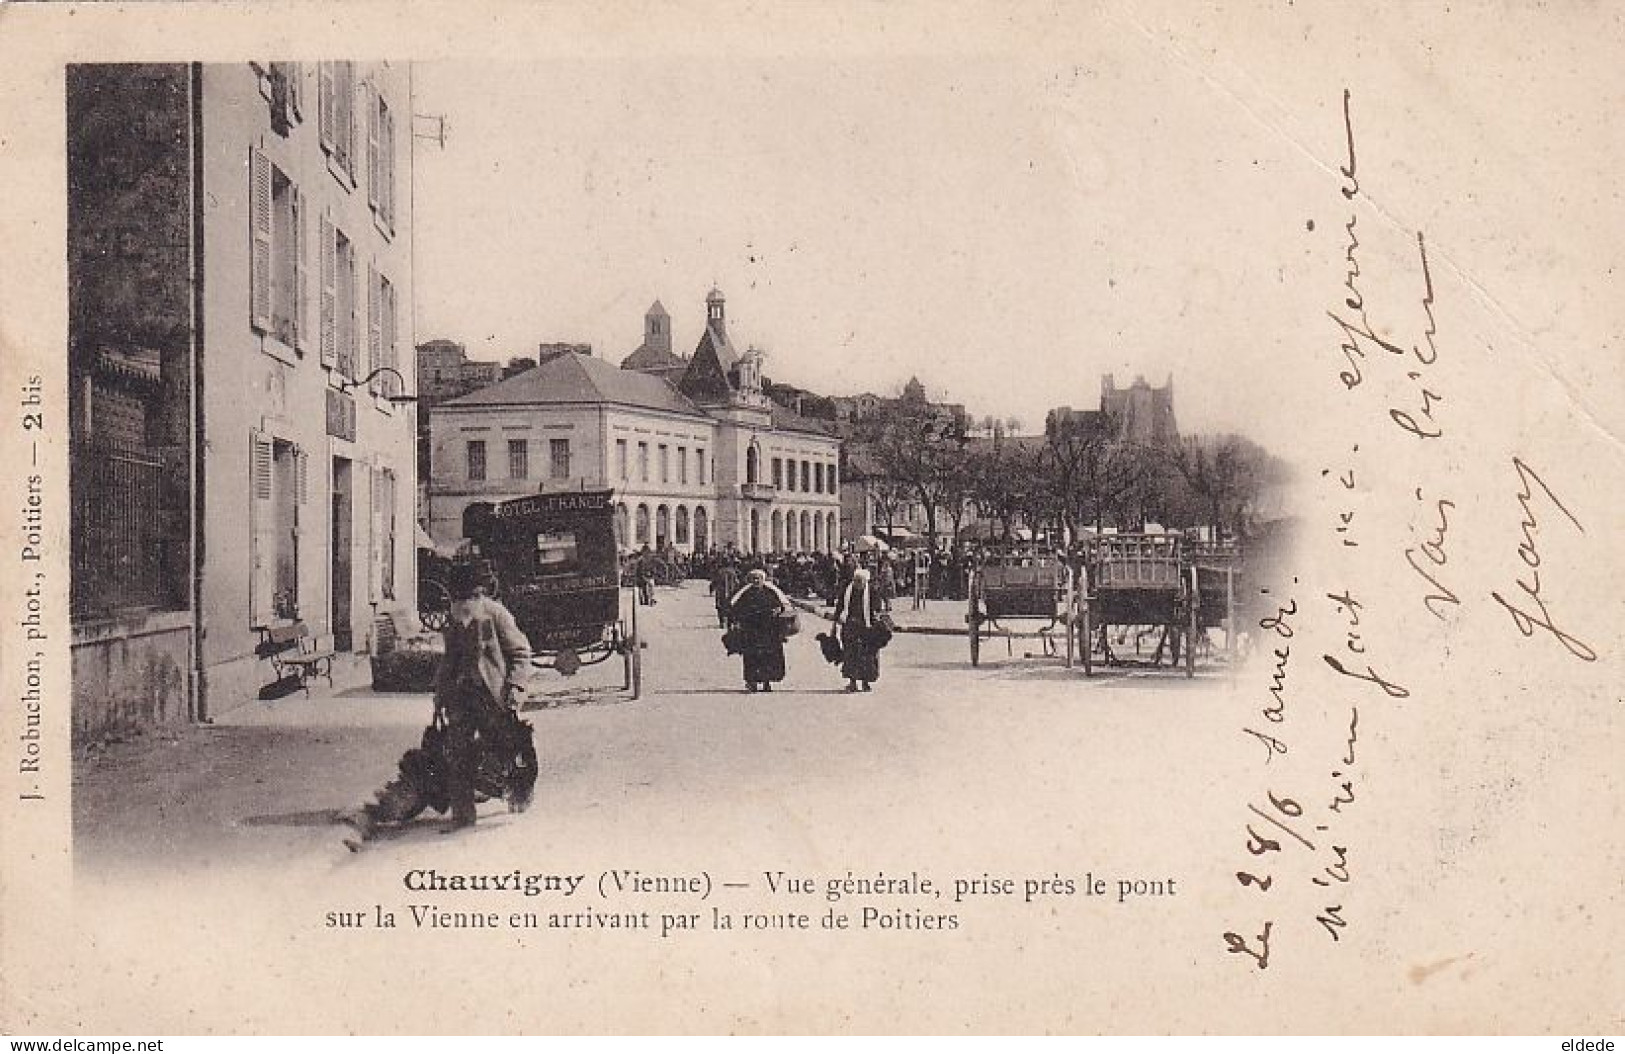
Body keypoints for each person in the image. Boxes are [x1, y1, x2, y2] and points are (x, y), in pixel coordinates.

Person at [342, 560, 534, 842]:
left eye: (466, 598)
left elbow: (521, 652)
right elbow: (449, 660)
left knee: (504, 753)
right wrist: (440, 694)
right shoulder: (456, 617)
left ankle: (519, 791)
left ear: (479, 594)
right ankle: (463, 817)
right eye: (456, 599)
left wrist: (516, 687)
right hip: (461, 697)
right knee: (458, 755)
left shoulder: (496, 615)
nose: (460, 604)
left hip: (493, 697)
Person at [728, 568, 792, 693]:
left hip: (768, 631)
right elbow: (735, 608)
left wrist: (778, 610)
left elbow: (781, 606)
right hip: (751, 632)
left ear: (763, 580)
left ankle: (766, 682)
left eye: (759, 578)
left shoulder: (770, 593)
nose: (756, 581)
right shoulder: (746, 594)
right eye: (754, 579)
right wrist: (736, 622)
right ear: (750, 580)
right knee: (752, 657)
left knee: (768, 657)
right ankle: (752, 682)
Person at [833, 566, 885, 692]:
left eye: (860, 581)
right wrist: (836, 621)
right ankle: (852, 682)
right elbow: (840, 606)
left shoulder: (872, 591)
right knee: (850, 655)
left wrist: (877, 619)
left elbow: (878, 608)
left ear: (865, 581)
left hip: (867, 627)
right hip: (850, 627)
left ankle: (866, 683)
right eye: (856, 580)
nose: (857, 583)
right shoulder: (847, 590)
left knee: (868, 656)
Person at [709, 557, 741, 629]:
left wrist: (711, 589)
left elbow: (714, 581)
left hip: (721, 592)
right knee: (731, 607)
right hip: (731, 592)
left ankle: (722, 622)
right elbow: (737, 582)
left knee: (720, 607)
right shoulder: (733, 572)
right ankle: (730, 622)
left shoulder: (719, 571)